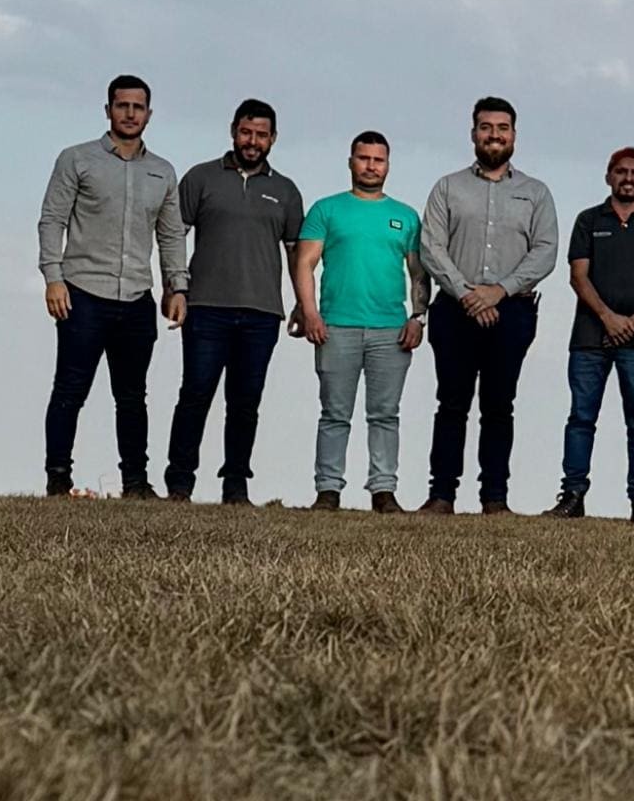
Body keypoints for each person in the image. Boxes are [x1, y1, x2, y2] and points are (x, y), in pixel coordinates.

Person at [36, 72, 185, 498]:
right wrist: (53, 278)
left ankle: (136, 483)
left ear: (149, 114)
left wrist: (177, 287)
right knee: (70, 389)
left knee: (133, 396)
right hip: (82, 293)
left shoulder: (162, 172)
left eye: (138, 107)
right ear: (108, 110)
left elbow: (171, 234)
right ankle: (58, 479)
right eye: (123, 106)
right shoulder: (77, 159)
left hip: (136, 297)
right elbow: (52, 219)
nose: (130, 114)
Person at [418, 96, 559, 514]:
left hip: (511, 311)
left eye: (502, 128)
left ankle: (495, 498)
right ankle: (442, 495)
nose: (493, 135)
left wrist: (497, 291)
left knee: (499, 406)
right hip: (454, 310)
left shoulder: (535, 193)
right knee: (452, 404)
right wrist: (467, 294)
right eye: (485, 127)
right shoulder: (448, 187)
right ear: (473, 132)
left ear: (514, 135)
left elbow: (546, 251)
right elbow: (431, 246)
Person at [165, 99, 304, 504]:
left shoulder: (285, 191)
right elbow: (173, 235)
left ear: (273, 138)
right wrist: (175, 288)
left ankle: (236, 484)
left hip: (262, 313)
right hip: (206, 307)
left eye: (261, 135)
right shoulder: (201, 178)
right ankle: (179, 482)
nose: (253, 141)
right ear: (233, 131)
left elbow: (297, 253)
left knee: (245, 403)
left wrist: (302, 303)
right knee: (195, 393)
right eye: (246, 132)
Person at [296, 130, 428, 509]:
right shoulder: (327, 209)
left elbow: (419, 273)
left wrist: (418, 317)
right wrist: (309, 313)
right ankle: (328, 489)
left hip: (391, 329)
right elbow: (305, 262)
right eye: (364, 158)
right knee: (334, 413)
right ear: (351, 161)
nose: (371, 166)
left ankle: (383, 490)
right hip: (336, 326)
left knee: (385, 414)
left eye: (378, 160)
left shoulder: (405, 216)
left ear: (388, 165)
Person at [559, 146, 634, 522]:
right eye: (621, 172)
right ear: (608, 176)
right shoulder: (587, 220)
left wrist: (633, 321)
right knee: (581, 417)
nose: (628, 179)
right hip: (589, 338)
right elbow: (578, 275)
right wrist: (608, 318)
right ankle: (573, 496)